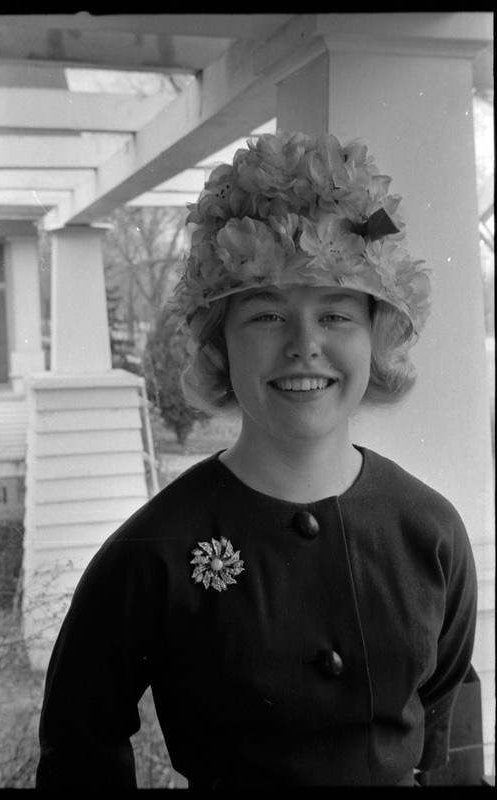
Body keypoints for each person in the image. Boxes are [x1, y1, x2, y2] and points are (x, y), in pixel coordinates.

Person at [36, 131, 477, 788]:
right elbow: (79, 742)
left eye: (336, 316)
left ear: (376, 337)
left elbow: (449, 723)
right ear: (221, 347)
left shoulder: (431, 531)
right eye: (268, 316)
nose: (304, 345)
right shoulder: (150, 552)